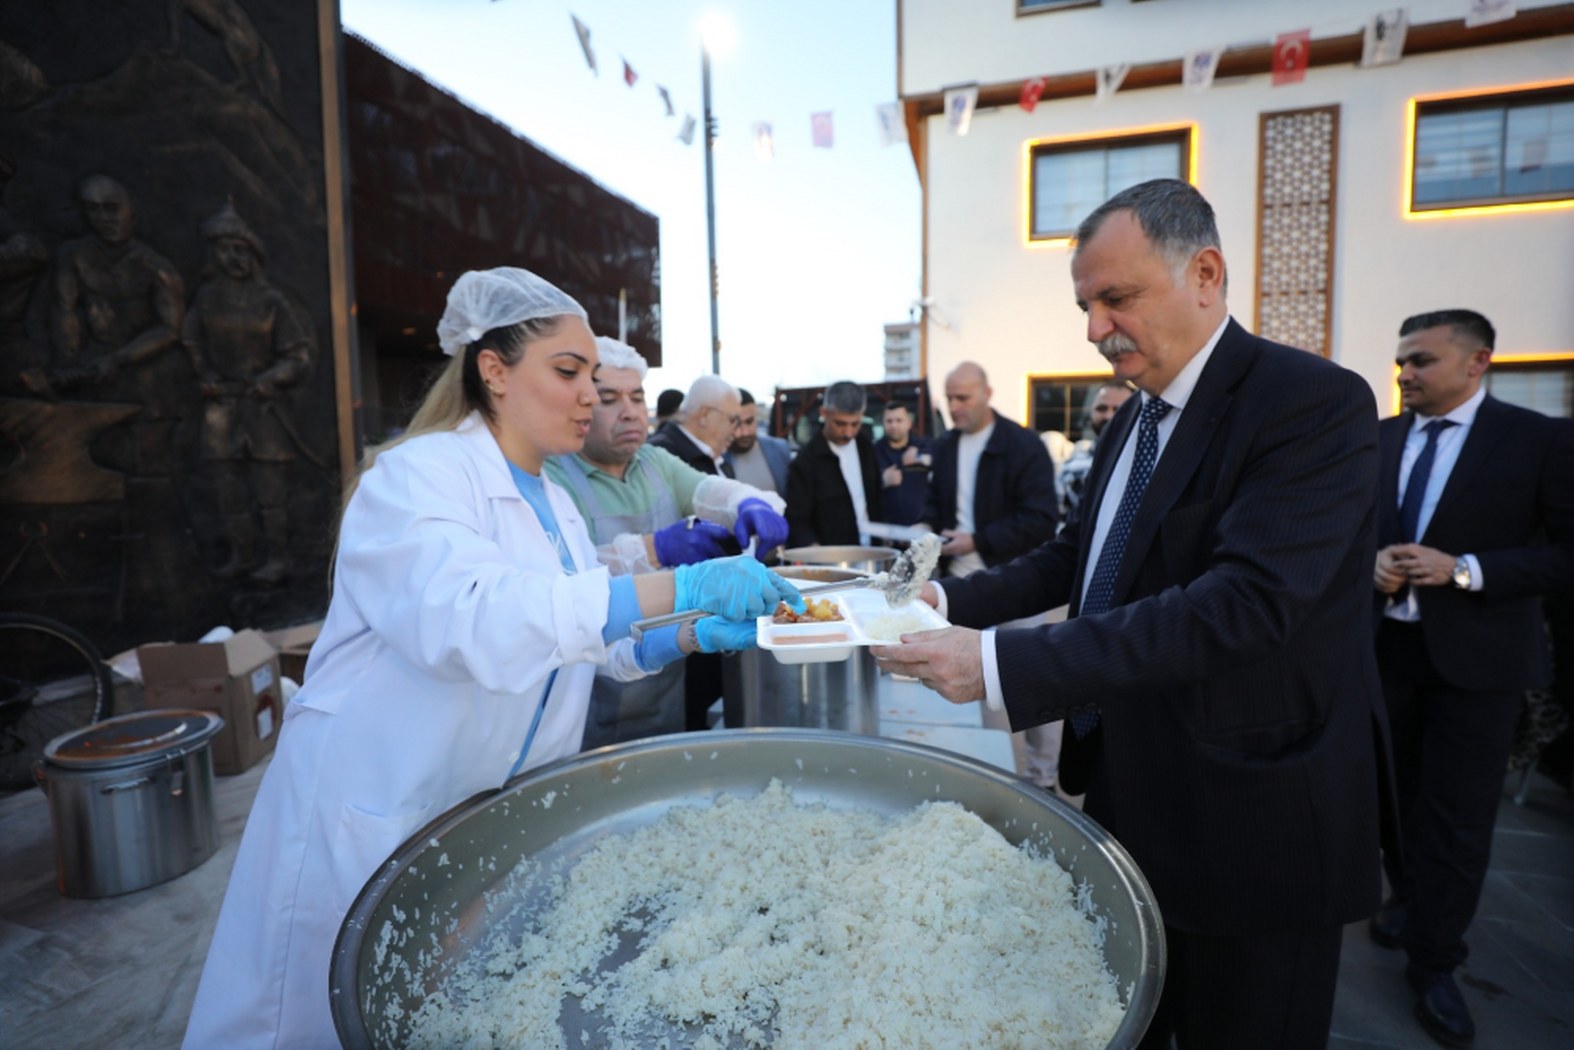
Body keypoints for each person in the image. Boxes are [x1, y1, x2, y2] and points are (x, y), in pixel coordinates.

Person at [181, 268, 802, 1049]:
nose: (590, 397)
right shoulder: (418, 477)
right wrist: (674, 582)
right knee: (305, 1019)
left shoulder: (556, 506)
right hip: (375, 797)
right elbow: (471, 618)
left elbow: (575, 644)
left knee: (415, 1011)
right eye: (569, 373)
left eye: (599, 380)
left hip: (465, 804)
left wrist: (682, 634)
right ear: (495, 370)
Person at [873, 179, 1388, 1049]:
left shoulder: (1311, 404)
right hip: (1132, 792)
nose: (1094, 327)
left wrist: (1001, 665)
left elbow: (1246, 604)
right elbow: (1082, 555)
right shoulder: (1133, 419)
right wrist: (943, 598)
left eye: (1117, 298)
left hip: (1252, 820)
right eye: (1084, 304)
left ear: (1207, 274)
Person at [1369, 309, 1574, 1047]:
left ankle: (1435, 963)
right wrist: (1375, 566)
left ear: (1477, 361)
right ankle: (1407, 899)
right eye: (1401, 362)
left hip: (1478, 666)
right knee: (1391, 800)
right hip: (1384, 652)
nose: (1405, 374)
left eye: (1420, 361)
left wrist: (1465, 571)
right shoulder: (1381, 437)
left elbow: (1564, 555)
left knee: (1457, 817)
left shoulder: (1538, 439)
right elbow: (1355, 531)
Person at [545, 337, 788, 746]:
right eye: (609, 398)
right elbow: (563, 584)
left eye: (637, 398)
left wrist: (751, 504)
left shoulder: (652, 462)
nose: (629, 413)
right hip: (586, 694)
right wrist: (656, 549)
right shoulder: (554, 474)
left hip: (662, 674)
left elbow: (715, 492)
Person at [183, 201, 312, 586]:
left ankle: (279, 558)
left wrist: (271, 377)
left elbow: (297, 355)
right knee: (228, 490)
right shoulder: (205, 298)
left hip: (262, 407)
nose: (233, 257)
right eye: (226, 249)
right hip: (221, 406)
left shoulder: (271, 301)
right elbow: (190, 341)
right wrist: (204, 373)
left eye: (240, 249)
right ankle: (243, 554)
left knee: (270, 491)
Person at [921, 361, 1058, 576]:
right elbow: (935, 500)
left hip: (1012, 577)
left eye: (962, 398)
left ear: (987, 393)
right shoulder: (945, 446)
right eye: (949, 398)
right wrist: (926, 525)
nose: (953, 407)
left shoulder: (1024, 446)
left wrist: (978, 541)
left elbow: (1040, 520)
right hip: (953, 577)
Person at [785, 380, 882, 548]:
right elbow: (798, 520)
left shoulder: (866, 447)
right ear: (824, 413)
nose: (848, 433)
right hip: (832, 563)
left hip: (872, 550)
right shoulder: (805, 462)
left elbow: (876, 498)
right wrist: (814, 552)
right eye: (840, 424)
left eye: (855, 424)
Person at [1058, 381, 1133, 524]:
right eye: (1101, 408)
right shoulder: (1072, 466)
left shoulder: (1149, 461)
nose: (1108, 416)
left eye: (1118, 409)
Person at [649, 374, 741, 477]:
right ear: (704, 415)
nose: (737, 432)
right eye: (732, 420)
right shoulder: (660, 457)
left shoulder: (720, 462)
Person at [873, 401, 932, 527]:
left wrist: (918, 457)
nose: (894, 425)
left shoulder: (924, 445)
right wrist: (882, 481)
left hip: (920, 528)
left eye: (899, 420)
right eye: (889, 421)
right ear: (883, 424)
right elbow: (862, 488)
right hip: (887, 531)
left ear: (909, 423)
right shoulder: (873, 452)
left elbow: (941, 462)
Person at [725, 388, 792, 495]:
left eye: (749, 422)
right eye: (736, 424)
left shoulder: (779, 449)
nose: (744, 432)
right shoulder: (717, 457)